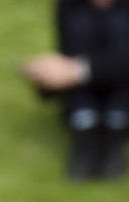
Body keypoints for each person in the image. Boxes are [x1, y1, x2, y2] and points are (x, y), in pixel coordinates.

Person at [21, 1, 129, 179]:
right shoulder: (69, 5)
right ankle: (85, 131)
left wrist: (80, 70)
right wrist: (47, 75)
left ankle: (113, 133)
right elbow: (67, 54)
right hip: (83, 91)